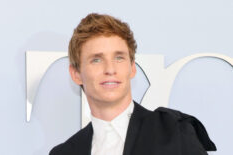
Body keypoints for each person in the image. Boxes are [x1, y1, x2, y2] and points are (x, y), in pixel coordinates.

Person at [49, 13, 216, 155]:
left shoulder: (174, 132)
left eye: (119, 57)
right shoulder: (65, 152)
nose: (110, 69)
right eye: (96, 60)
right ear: (76, 74)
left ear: (132, 68)